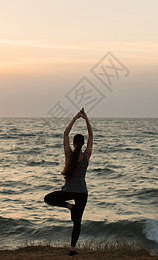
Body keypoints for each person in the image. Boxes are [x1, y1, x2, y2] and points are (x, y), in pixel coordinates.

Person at [44, 108, 93, 256]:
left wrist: (75, 117)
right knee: (77, 222)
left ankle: (69, 206)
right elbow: (91, 134)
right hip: (82, 193)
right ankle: (72, 249)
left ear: (73, 143)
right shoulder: (86, 156)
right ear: (83, 144)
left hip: (69, 191)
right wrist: (86, 119)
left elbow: (65, 133)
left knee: (48, 198)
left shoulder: (68, 155)